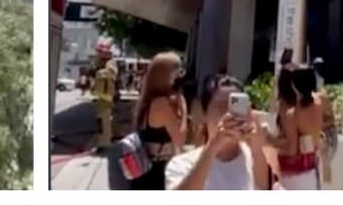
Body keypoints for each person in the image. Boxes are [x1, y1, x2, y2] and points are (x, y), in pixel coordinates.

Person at [165, 75, 271, 190]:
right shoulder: (182, 164)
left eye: (235, 106)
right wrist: (213, 145)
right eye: (221, 107)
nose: (228, 114)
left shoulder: (257, 160)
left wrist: (257, 147)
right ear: (204, 113)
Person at [127, 52, 188, 190]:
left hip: (147, 171)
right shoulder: (160, 103)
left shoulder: (149, 100)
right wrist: (184, 109)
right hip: (156, 173)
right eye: (177, 72)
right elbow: (180, 140)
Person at [267, 66, 323, 189]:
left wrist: (269, 140)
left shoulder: (293, 115)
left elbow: (292, 150)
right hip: (311, 168)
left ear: (295, 85)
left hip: (293, 173)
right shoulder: (319, 103)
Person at [91, 44, 118, 149]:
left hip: (106, 97)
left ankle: (104, 143)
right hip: (102, 97)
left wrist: (99, 73)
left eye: (100, 52)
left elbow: (111, 72)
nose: (98, 54)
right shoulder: (100, 63)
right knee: (101, 121)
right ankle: (103, 141)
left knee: (103, 121)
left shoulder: (110, 63)